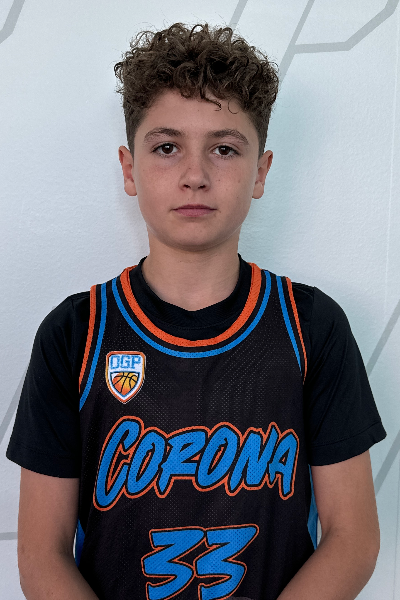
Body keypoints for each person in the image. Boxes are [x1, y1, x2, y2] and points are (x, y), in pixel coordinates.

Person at [6, 22, 386, 600]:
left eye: (224, 149)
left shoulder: (311, 327)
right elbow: (40, 555)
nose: (195, 175)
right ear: (129, 169)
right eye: (167, 147)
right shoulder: (75, 334)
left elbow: (352, 538)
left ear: (261, 172)